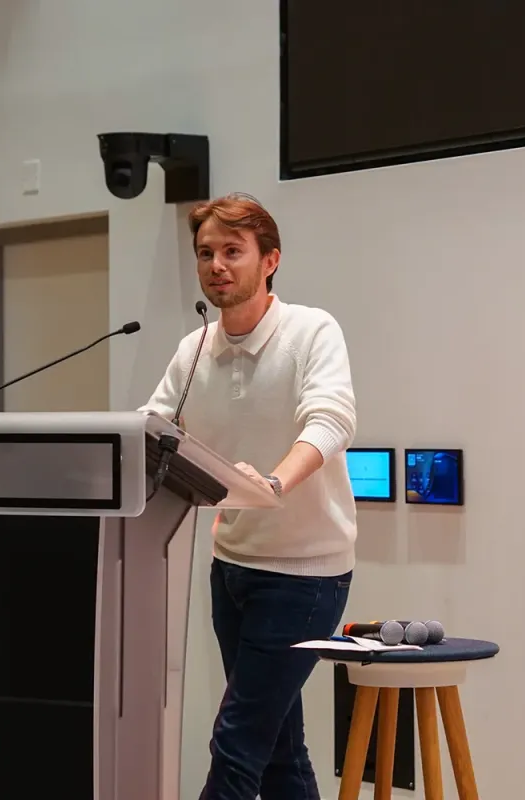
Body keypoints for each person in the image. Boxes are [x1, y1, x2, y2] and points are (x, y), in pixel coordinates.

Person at [140, 193, 358, 800]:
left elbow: (330, 421)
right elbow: (152, 430)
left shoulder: (311, 330)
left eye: (232, 251)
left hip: (305, 577)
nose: (216, 265)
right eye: (205, 252)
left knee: (236, 747)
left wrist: (274, 483)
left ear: (270, 260)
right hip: (232, 569)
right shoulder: (193, 350)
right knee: (280, 752)